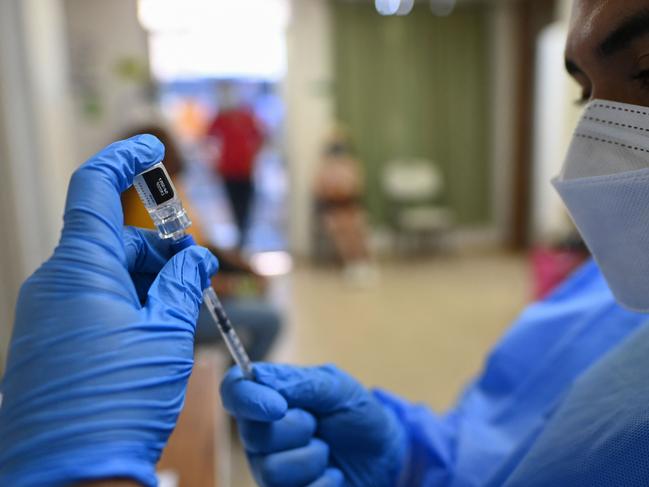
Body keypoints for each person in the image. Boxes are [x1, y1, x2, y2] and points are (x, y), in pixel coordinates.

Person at [1, 1, 649, 486]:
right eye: (583, 93)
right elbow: (502, 443)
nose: (590, 149)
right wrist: (406, 457)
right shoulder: (608, 290)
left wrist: (83, 473)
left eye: (646, 70)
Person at [121, 124, 281, 361]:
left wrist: (244, 267)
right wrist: (236, 286)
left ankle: (239, 379)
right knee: (270, 319)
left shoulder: (168, 191)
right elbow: (170, 275)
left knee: (259, 298)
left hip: (197, 290)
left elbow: (195, 241)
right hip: (177, 309)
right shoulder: (144, 206)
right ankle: (240, 383)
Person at [205, 82, 265, 247]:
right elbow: (208, 141)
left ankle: (244, 238)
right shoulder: (220, 118)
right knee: (234, 206)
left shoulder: (247, 116)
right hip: (228, 172)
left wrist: (253, 157)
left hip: (246, 171)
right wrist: (212, 162)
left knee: (246, 206)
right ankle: (240, 238)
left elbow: (261, 137)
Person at [314, 129, 375, 282]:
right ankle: (350, 265)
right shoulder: (323, 167)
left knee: (356, 228)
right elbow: (319, 190)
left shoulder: (352, 164)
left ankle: (363, 263)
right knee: (340, 229)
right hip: (332, 209)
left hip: (351, 206)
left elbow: (357, 188)